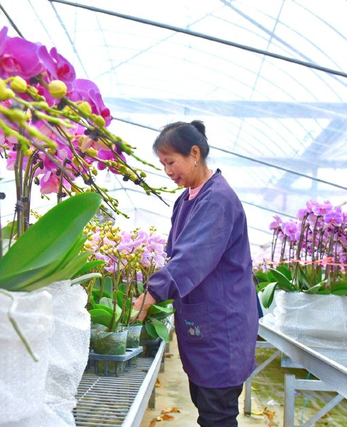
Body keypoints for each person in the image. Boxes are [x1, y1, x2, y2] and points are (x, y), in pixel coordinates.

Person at [133, 120, 259, 427]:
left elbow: (191, 258)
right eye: (163, 165)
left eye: (171, 162)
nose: (167, 171)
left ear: (194, 153)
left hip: (223, 323)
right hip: (203, 321)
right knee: (206, 407)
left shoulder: (217, 199)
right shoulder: (186, 199)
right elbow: (176, 252)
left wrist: (152, 293)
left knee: (217, 415)